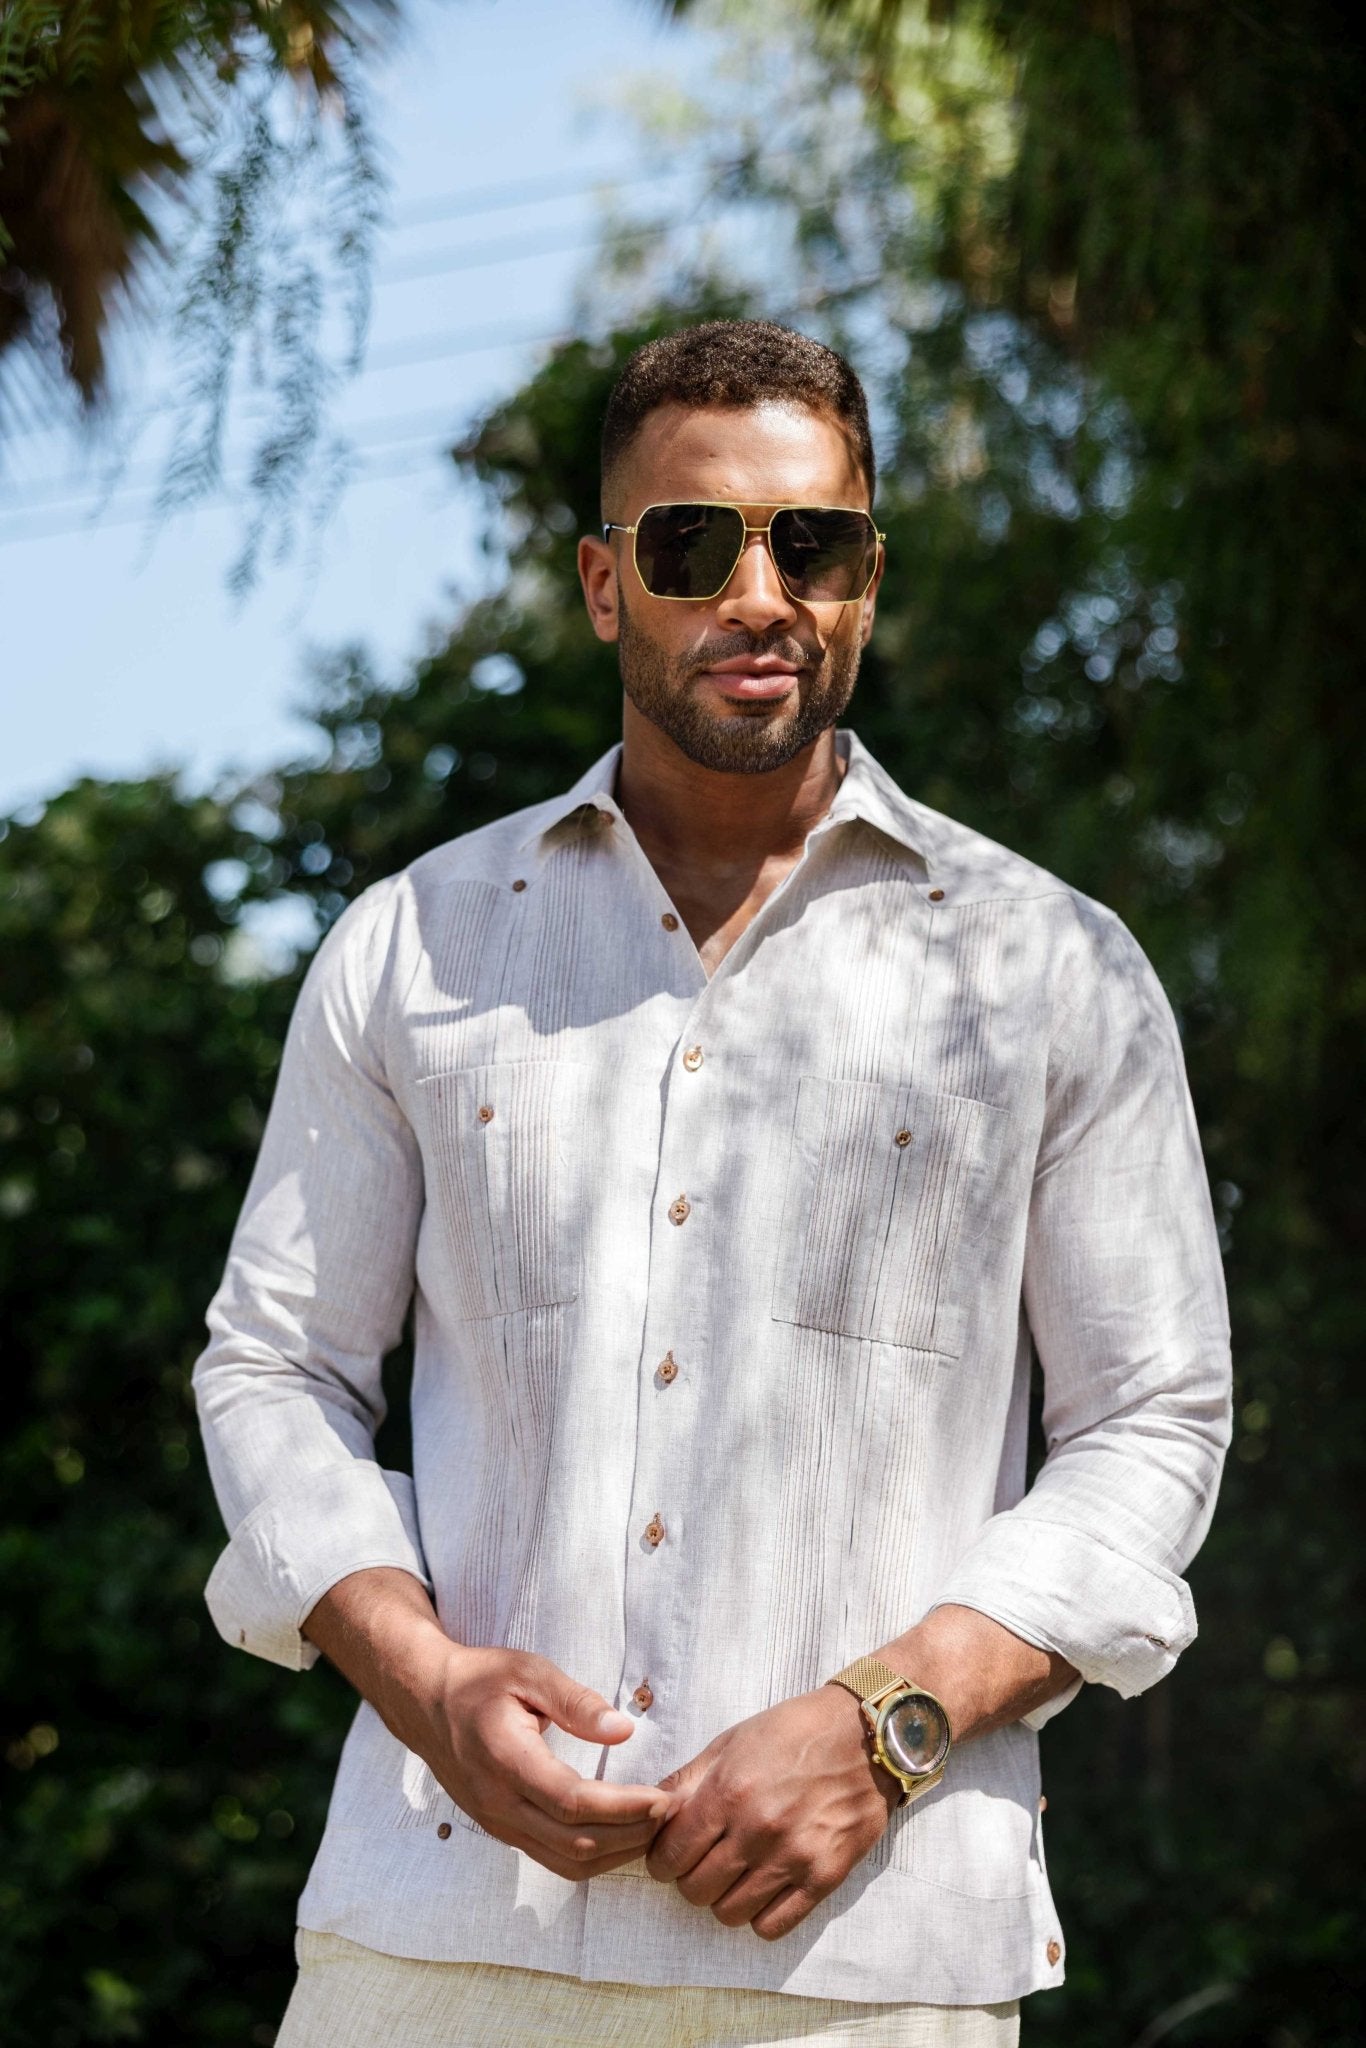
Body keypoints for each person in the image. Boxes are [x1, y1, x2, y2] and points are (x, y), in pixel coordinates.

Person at [193, 320, 1232, 2048]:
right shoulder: (413, 949)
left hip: (872, 1966)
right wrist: (428, 1684)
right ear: (606, 585)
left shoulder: (1053, 969)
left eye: (810, 543)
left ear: (868, 577)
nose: (760, 594)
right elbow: (276, 1364)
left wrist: (887, 1723)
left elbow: (1152, 1421)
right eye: (693, 544)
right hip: (435, 1938)